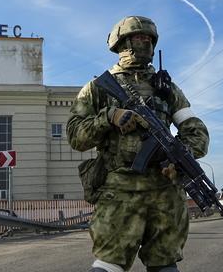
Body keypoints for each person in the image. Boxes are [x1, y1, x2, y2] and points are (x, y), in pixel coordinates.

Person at [67, 16, 209, 272]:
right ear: (123, 43)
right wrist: (109, 117)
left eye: (149, 39)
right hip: (120, 191)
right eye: (139, 37)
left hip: (165, 192)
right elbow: (75, 135)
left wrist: (180, 160)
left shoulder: (166, 89)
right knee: (109, 264)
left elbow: (196, 132)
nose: (145, 43)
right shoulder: (98, 88)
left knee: (165, 263)